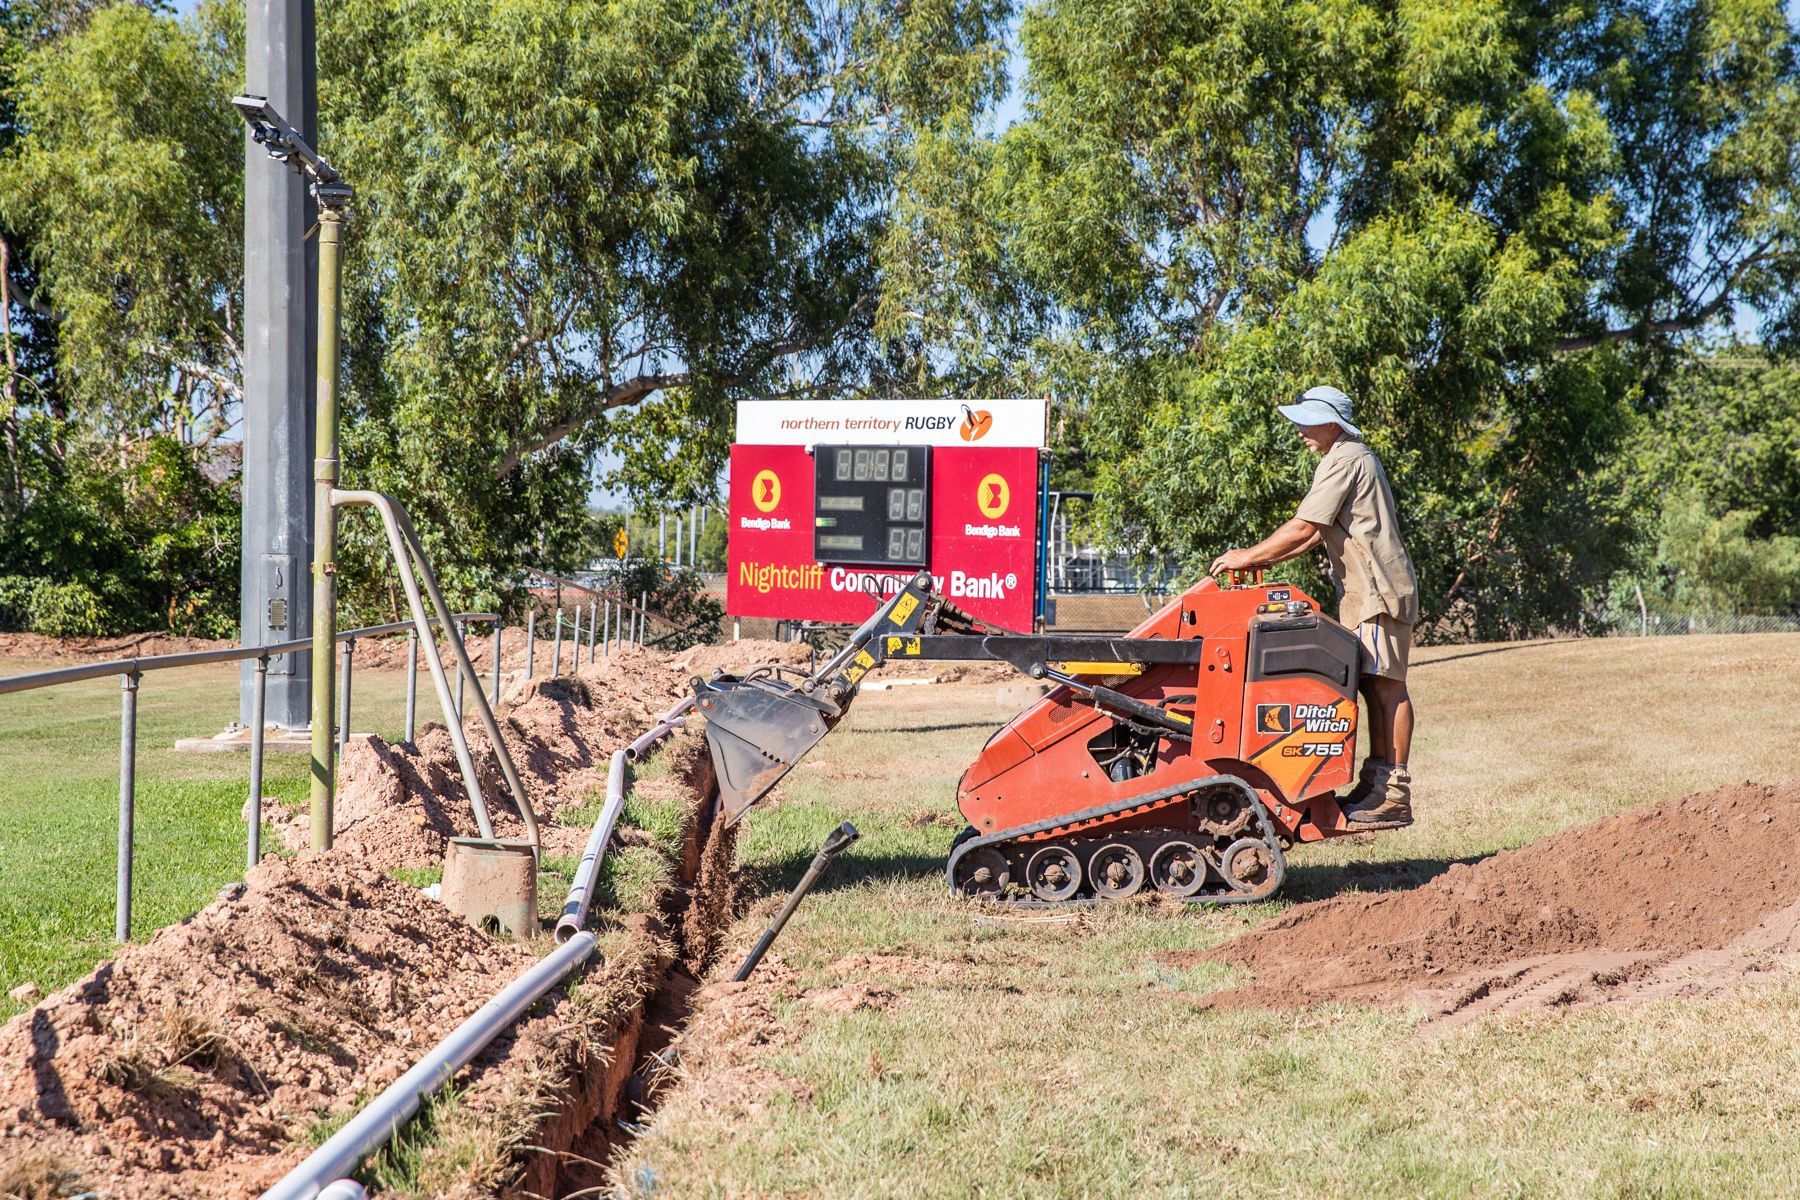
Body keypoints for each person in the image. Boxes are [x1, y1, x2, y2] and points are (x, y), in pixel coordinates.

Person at [1209, 385, 1419, 828]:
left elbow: (1305, 529)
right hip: (1367, 590)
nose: (1300, 429)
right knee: (1371, 684)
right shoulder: (1344, 457)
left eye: (1306, 420)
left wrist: (1246, 556)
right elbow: (1311, 534)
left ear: (1330, 421)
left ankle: (1395, 792)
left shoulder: (1345, 458)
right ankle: (1377, 784)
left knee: (1386, 686)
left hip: (1378, 587)